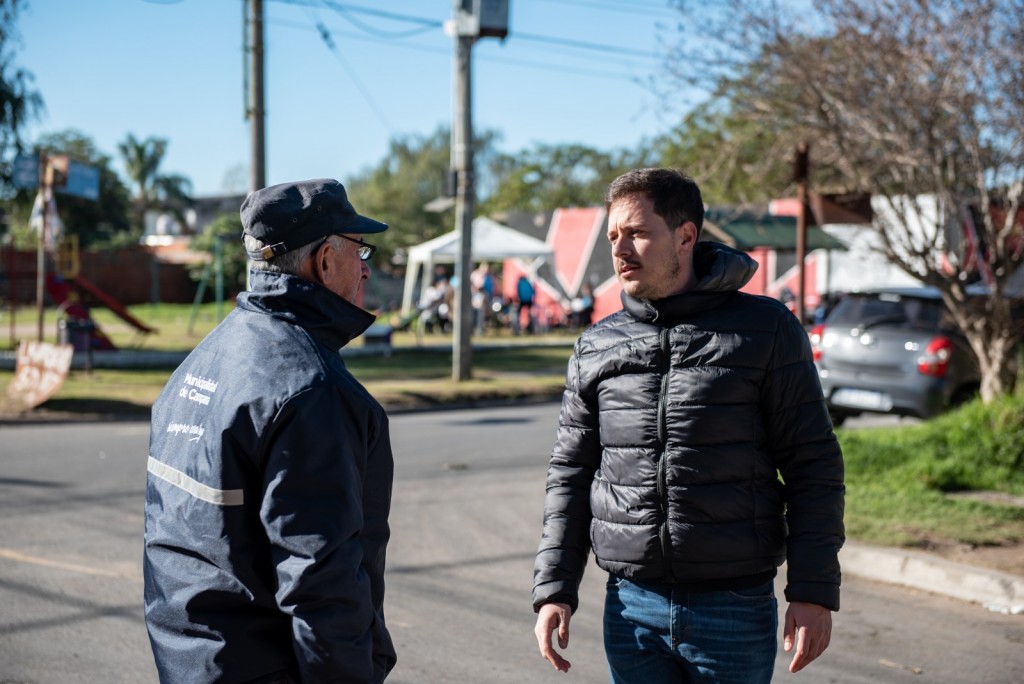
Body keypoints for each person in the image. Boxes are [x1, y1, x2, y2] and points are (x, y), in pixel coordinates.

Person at [532, 168, 845, 683]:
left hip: (733, 608)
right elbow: (570, 474)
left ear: (685, 236)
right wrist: (555, 589)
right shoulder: (596, 345)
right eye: (613, 236)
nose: (620, 249)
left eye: (637, 232)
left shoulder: (765, 330)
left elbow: (813, 465)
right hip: (630, 609)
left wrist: (812, 590)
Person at [144, 179, 397, 684]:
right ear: (325, 261)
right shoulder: (311, 391)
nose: (366, 267)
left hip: (190, 660)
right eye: (359, 250)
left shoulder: (206, 358)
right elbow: (319, 583)